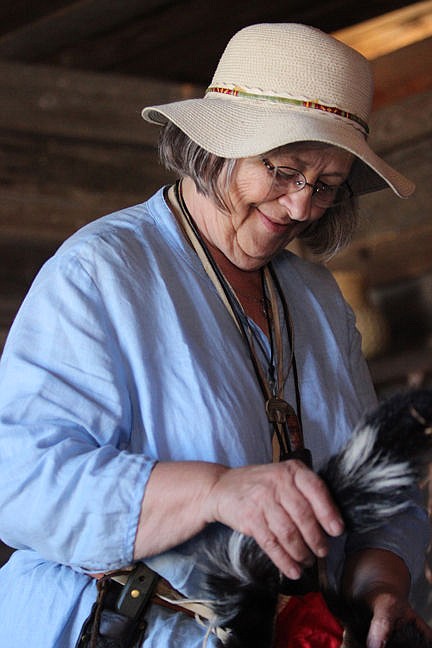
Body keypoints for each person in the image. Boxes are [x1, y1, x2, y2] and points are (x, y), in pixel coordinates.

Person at [0, 22, 430, 648]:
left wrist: (380, 586)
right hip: (118, 629)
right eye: (282, 171)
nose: (302, 207)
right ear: (215, 147)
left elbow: (376, 490)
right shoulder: (102, 271)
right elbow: (22, 482)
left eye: (328, 185)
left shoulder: (315, 298)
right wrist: (214, 492)